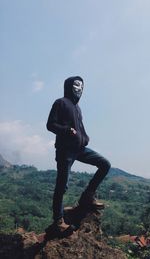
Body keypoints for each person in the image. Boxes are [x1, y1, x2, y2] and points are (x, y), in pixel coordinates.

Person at [46, 76, 111, 232]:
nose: (79, 88)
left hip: (80, 149)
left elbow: (79, 127)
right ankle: (58, 221)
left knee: (105, 164)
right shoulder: (60, 102)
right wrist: (67, 130)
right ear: (69, 86)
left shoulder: (77, 108)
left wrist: (85, 137)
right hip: (65, 150)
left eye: (82, 86)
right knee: (62, 185)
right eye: (76, 85)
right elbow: (50, 125)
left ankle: (88, 196)